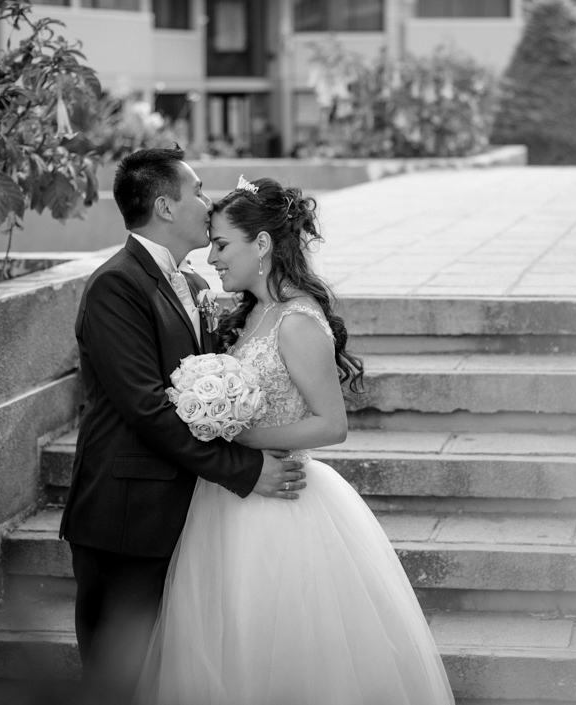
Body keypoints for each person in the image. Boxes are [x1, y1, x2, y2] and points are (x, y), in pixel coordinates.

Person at [137, 177, 454, 705]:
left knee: (279, 646)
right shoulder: (251, 312)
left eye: (221, 244)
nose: (211, 257)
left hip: (282, 500)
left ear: (260, 245)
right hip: (224, 501)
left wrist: (237, 435)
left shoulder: (300, 320)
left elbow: (332, 424)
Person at [59, 147, 307, 703]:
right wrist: (244, 469)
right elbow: (147, 409)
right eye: (197, 190)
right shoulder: (116, 286)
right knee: (112, 681)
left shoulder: (188, 283)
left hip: (178, 514)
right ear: (166, 207)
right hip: (125, 517)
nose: (208, 201)